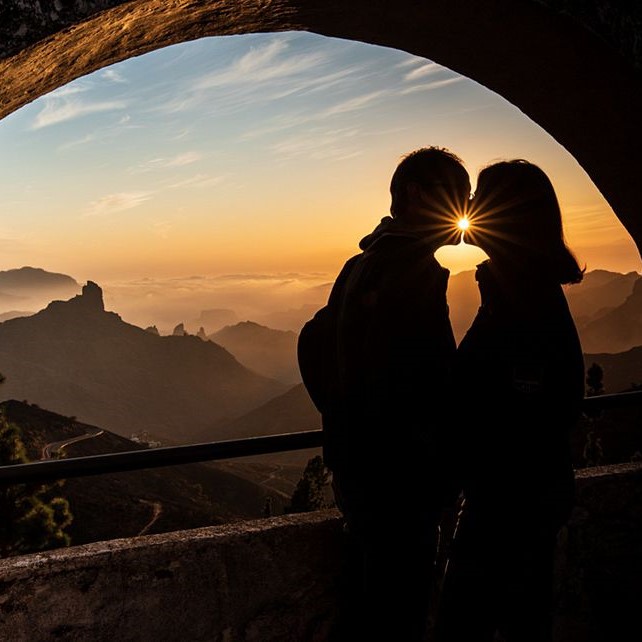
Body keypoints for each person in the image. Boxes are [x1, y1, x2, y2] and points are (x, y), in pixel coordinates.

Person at [298, 147, 470, 641]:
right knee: (399, 612)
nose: (465, 204)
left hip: (364, 473)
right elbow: (414, 385)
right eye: (457, 194)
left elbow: (319, 347)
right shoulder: (404, 270)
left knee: (373, 604)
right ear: (416, 195)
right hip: (399, 483)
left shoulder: (364, 263)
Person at [435, 160, 585, 642]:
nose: (469, 205)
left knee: (469, 622)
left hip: (508, 502)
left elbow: (529, 410)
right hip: (515, 497)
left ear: (509, 215)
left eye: (481, 195)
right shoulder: (511, 291)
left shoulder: (525, 303)